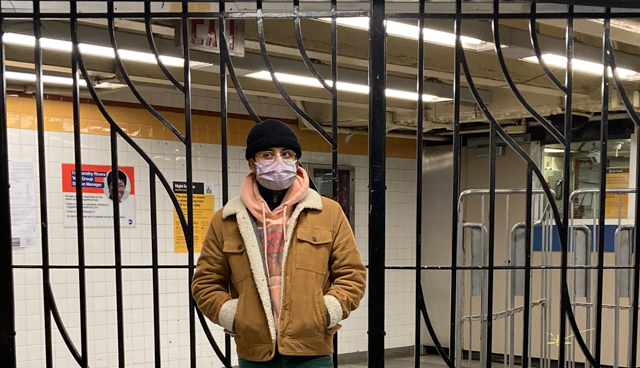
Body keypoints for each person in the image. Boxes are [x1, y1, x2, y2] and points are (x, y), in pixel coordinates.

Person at [192, 119, 366, 367]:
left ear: (296, 160)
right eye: (267, 154)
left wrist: (325, 312)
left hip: (311, 348)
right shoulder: (227, 220)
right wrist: (236, 317)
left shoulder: (328, 212)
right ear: (252, 163)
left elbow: (352, 274)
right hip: (255, 350)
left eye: (286, 154)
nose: (278, 161)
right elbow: (205, 283)